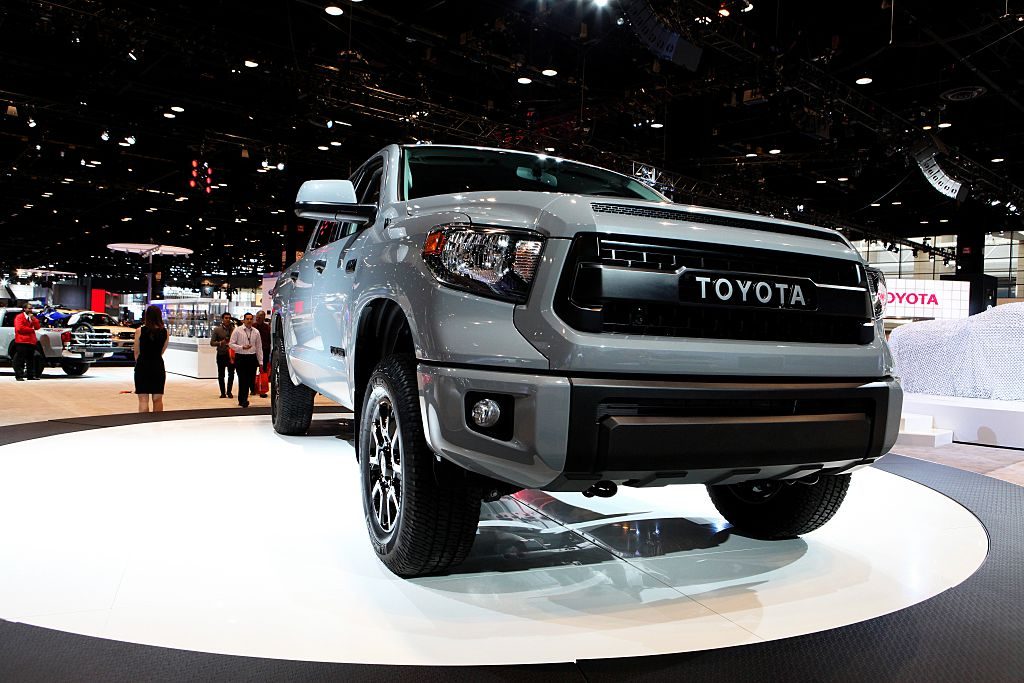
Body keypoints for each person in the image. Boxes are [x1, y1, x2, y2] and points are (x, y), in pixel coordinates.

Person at [133, 304, 168, 412]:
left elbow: (136, 352)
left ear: (147, 316)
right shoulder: (165, 332)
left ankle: (144, 424)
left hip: (142, 365)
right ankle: (158, 424)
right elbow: (162, 350)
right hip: (157, 365)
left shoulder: (140, 331)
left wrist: (139, 362)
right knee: (157, 399)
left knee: (143, 400)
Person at [228, 312, 264, 408]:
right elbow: (231, 344)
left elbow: (259, 348)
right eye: (247, 319)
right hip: (241, 357)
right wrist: (241, 347)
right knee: (242, 379)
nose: (249, 321)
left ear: (253, 320)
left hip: (252, 358)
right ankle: (243, 400)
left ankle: (244, 398)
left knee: (250, 380)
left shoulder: (256, 332)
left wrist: (261, 362)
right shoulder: (237, 331)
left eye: (250, 319)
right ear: (243, 320)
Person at [12, 302, 41, 381]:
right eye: (29, 308)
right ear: (24, 309)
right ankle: (19, 376)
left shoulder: (32, 317)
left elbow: (38, 327)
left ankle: (30, 376)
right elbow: (19, 328)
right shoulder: (19, 317)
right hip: (22, 341)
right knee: (20, 359)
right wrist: (31, 329)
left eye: (31, 308)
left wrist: (34, 319)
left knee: (31, 360)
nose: (30, 310)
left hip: (31, 341)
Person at [210, 312, 235, 398]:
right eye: (226, 318)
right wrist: (220, 343)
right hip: (221, 354)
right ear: (222, 319)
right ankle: (223, 393)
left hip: (231, 355)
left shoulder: (234, 329)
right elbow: (212, 343)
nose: (228, 319)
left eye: (229, 318)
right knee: (221, 375)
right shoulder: (217, 329)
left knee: (231, 374)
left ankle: (229, 392)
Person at [253, 310, 272, 398]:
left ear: (264, 318)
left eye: (260, 317)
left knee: (263, 370)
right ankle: (253, 389)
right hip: (253, 351)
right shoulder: (253, 326)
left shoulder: (267, 327)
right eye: (257, 317)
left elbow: (270, 340)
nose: (258, 319)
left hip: (265, 350)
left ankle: (262, 390)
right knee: (252, 370)